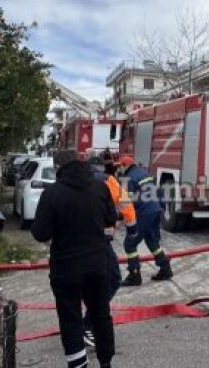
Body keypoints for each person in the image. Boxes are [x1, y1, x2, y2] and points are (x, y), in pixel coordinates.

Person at [32, 150, 117, 368]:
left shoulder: (52, 193)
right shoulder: (100, 187)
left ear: (58, 166)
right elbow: (110, 218)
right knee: (101, 315)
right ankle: (106, 362)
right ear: (80, 162)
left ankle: (78, 364)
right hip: (97, 264)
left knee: (70, 319)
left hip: (65, 268)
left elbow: (40, 233)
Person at [82, 162, 129, 348]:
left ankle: (85, 324)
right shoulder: (108, 181)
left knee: (89, 285)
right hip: (99, 242)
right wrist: (131, 226)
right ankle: (88, 324)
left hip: (79, 244)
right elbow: (125, 205)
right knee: (113, 280)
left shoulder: (72, 183)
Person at [118, 155, 173, 286]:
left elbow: (126, 202)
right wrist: (161, 208)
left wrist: (119, 218)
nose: (119, 169)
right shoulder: (144, 173)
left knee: (130, 244)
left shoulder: (128, 178)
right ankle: (165, 268)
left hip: (144, 212)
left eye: (120, 166)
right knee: (151, 240)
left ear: (125, 165)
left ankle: (134, 275)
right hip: (155, 210)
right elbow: (159, 191)